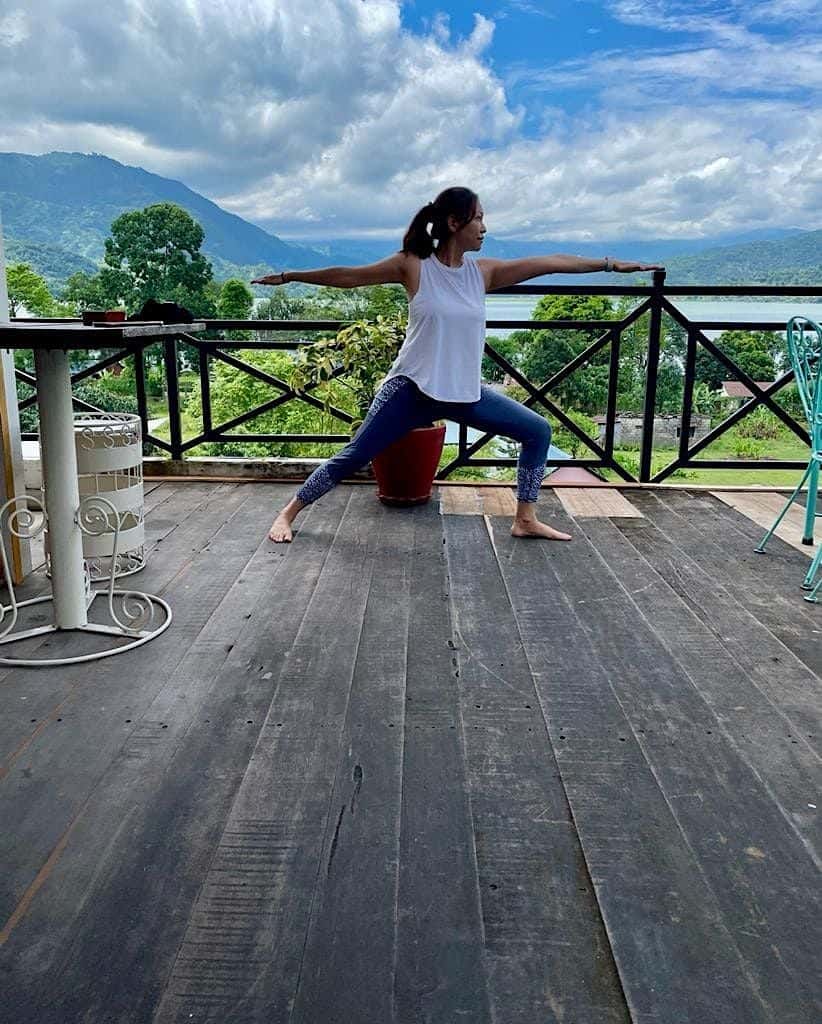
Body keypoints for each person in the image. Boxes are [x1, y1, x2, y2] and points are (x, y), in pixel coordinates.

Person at [252, 187, 662, 543]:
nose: (484, 227)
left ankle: (525, 519)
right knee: (356, 454)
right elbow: (349, 276)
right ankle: (288, 512)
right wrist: (291, 276)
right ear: (453, 222)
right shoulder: (412, 264)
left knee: (537, 431)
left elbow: (552, 261)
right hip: (411, 389)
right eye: (479, 218)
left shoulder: (483, 272)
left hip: (463, 392)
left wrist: (611, 264)